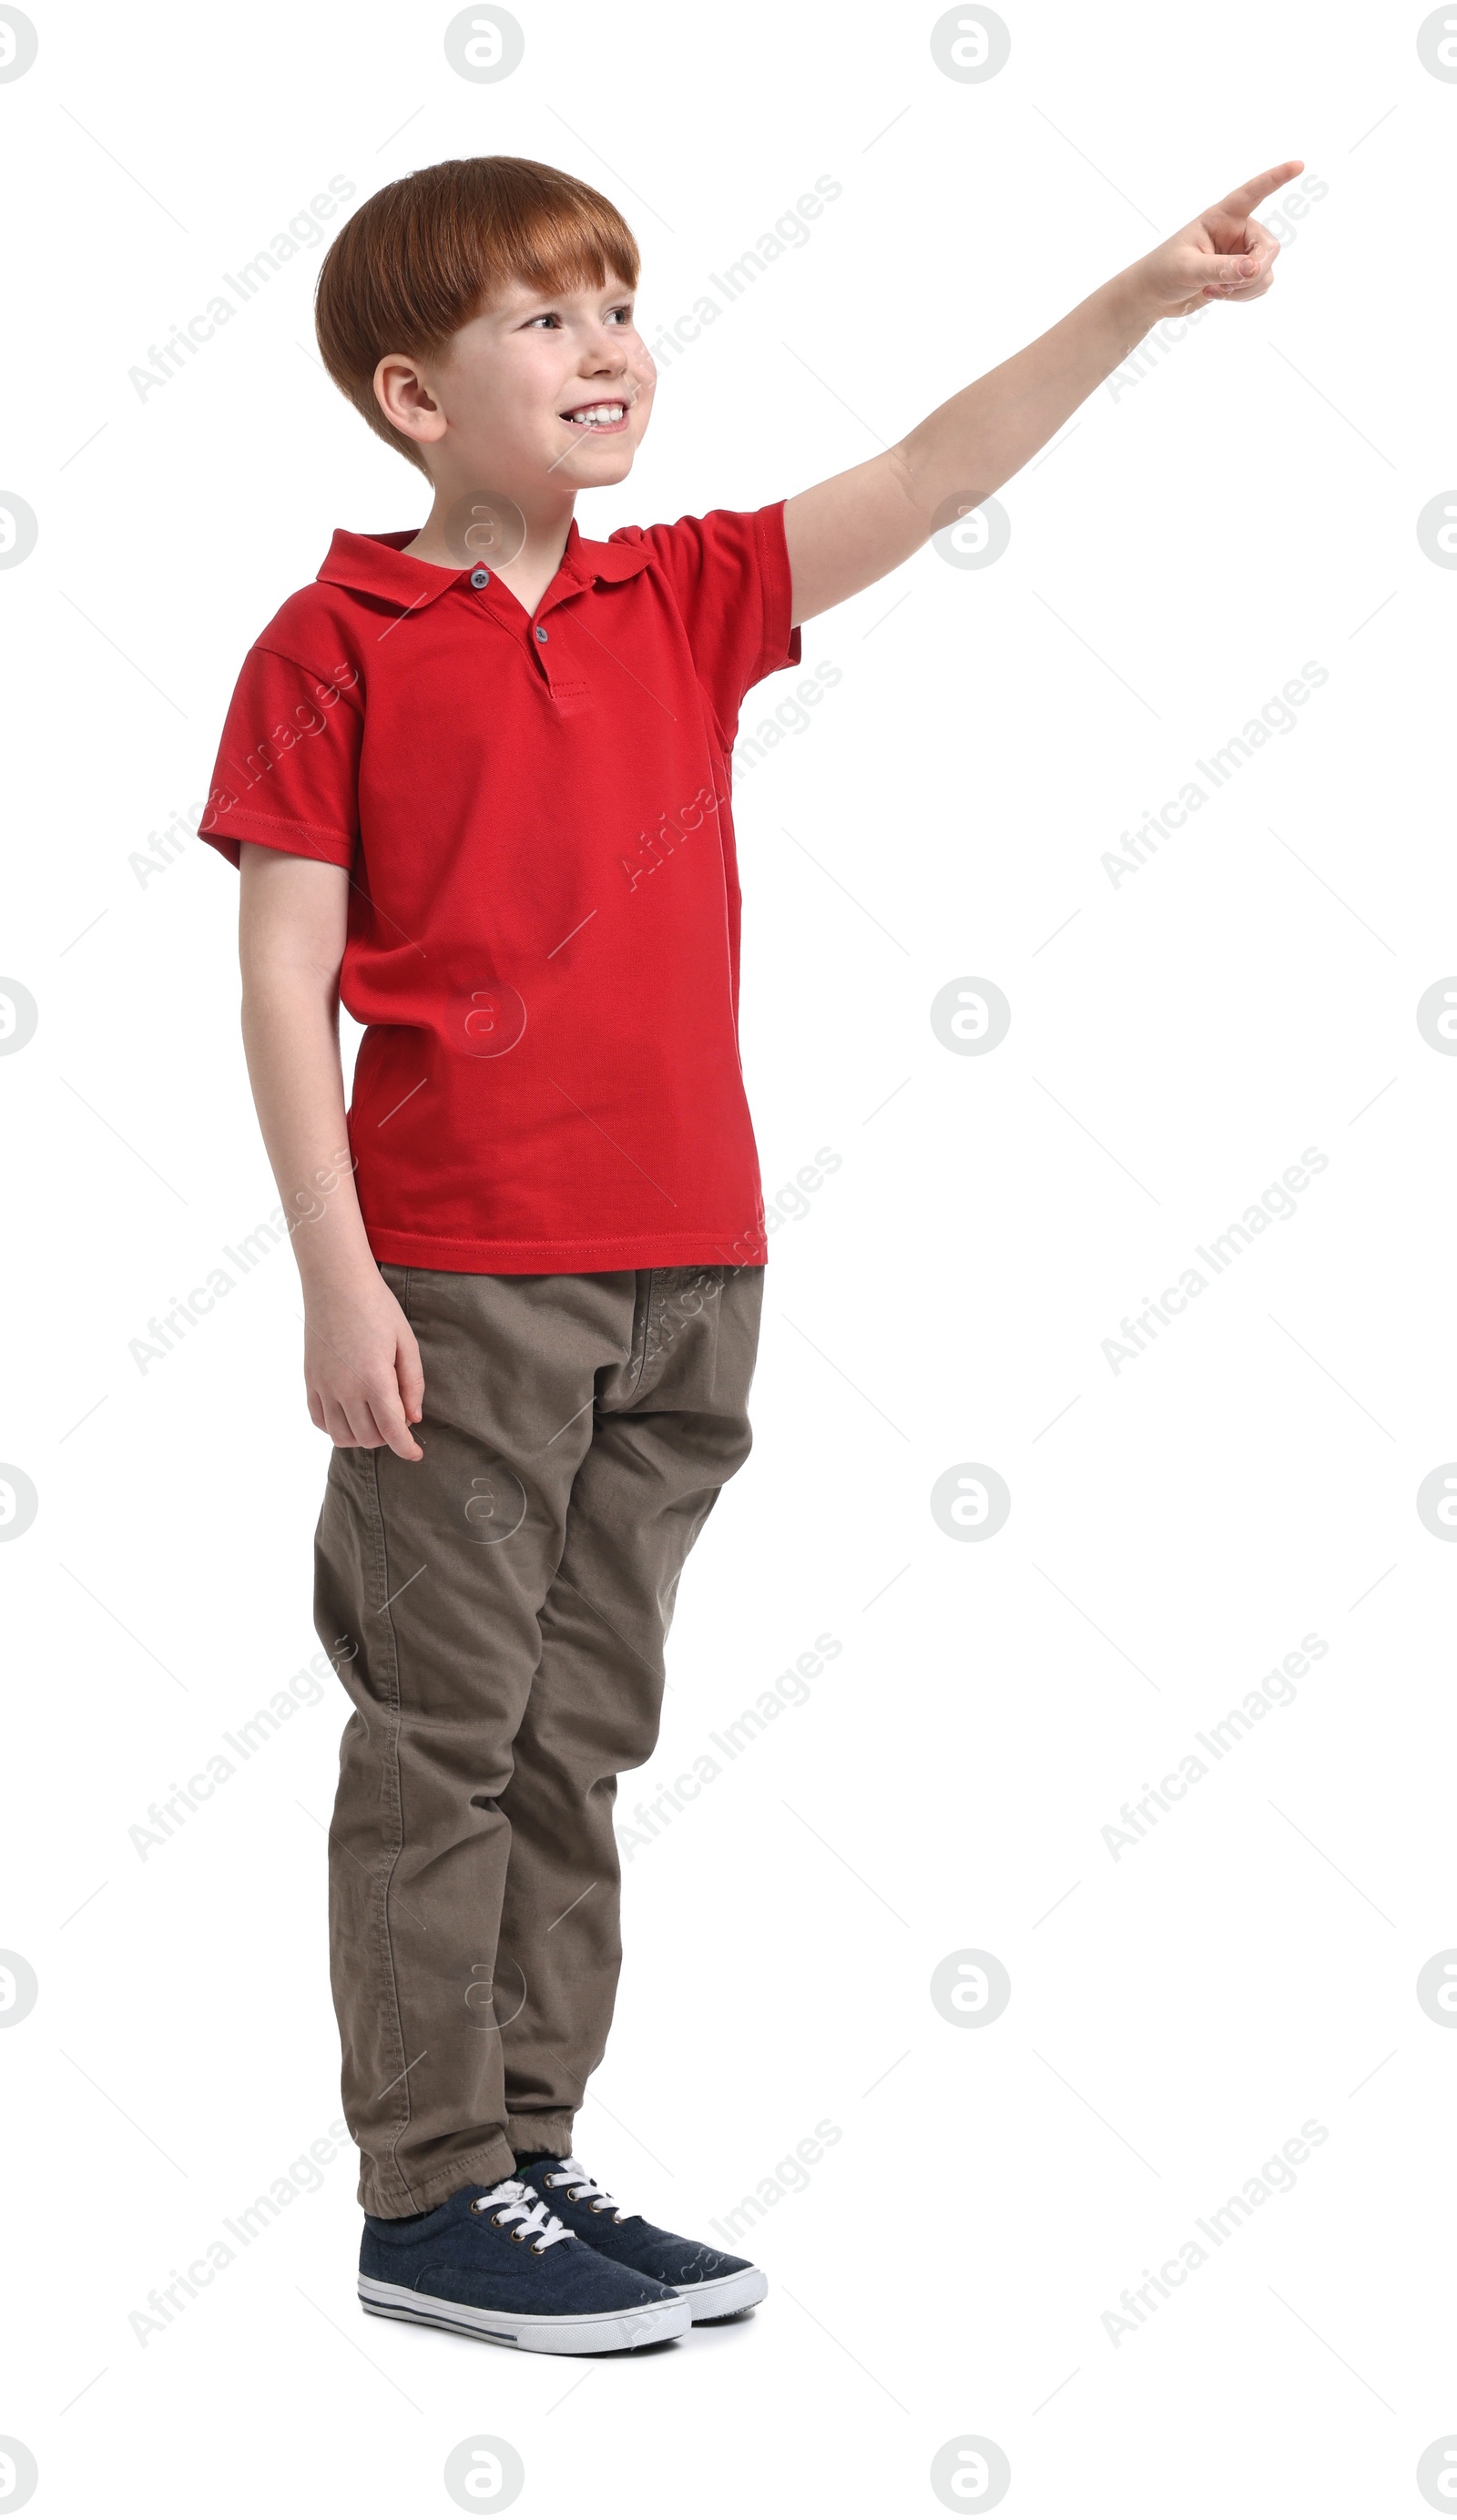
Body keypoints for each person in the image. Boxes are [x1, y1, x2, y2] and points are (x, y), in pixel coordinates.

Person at [199, 149, 1300, 2355]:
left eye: (618, 301)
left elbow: (917, 466)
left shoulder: (678, 597)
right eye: (544, 316)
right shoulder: (333, 646)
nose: (607, 343)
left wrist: (1129, 301)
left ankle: (526, 2146)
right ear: (413, 396)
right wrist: (337, 1283)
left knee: (579, 1727)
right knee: (448, 1733)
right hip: (462, 1279)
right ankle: (423, 2194)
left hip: (688, 1264)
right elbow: (276, 979)